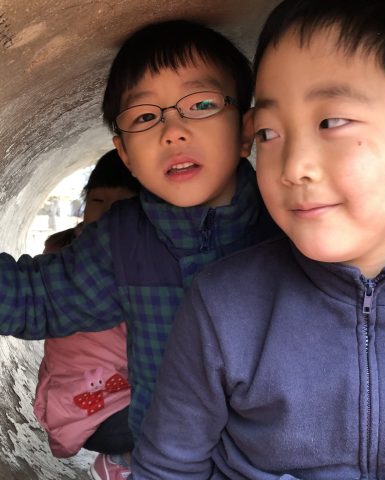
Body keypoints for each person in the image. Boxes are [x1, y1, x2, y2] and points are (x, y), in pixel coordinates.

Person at [131, 1, 385, 478]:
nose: (293, 166)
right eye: (269, 133)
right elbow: (168, 467)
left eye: (331, 122)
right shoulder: (223, 306)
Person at [0, 19, 279, 480]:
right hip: (167, 466)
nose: (173, 130)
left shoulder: (288, 224)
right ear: (125, 154)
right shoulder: (122, 242)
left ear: (246, 130)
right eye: (145, 117)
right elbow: (39, 297)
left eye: (201, 104)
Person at [34, 150, 140, 467]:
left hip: (76, 411)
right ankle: (123, 462)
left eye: (122, 205)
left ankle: (124, 460)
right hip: (106, 415)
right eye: (98, 201)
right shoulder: (72, 259)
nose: (107, 213)